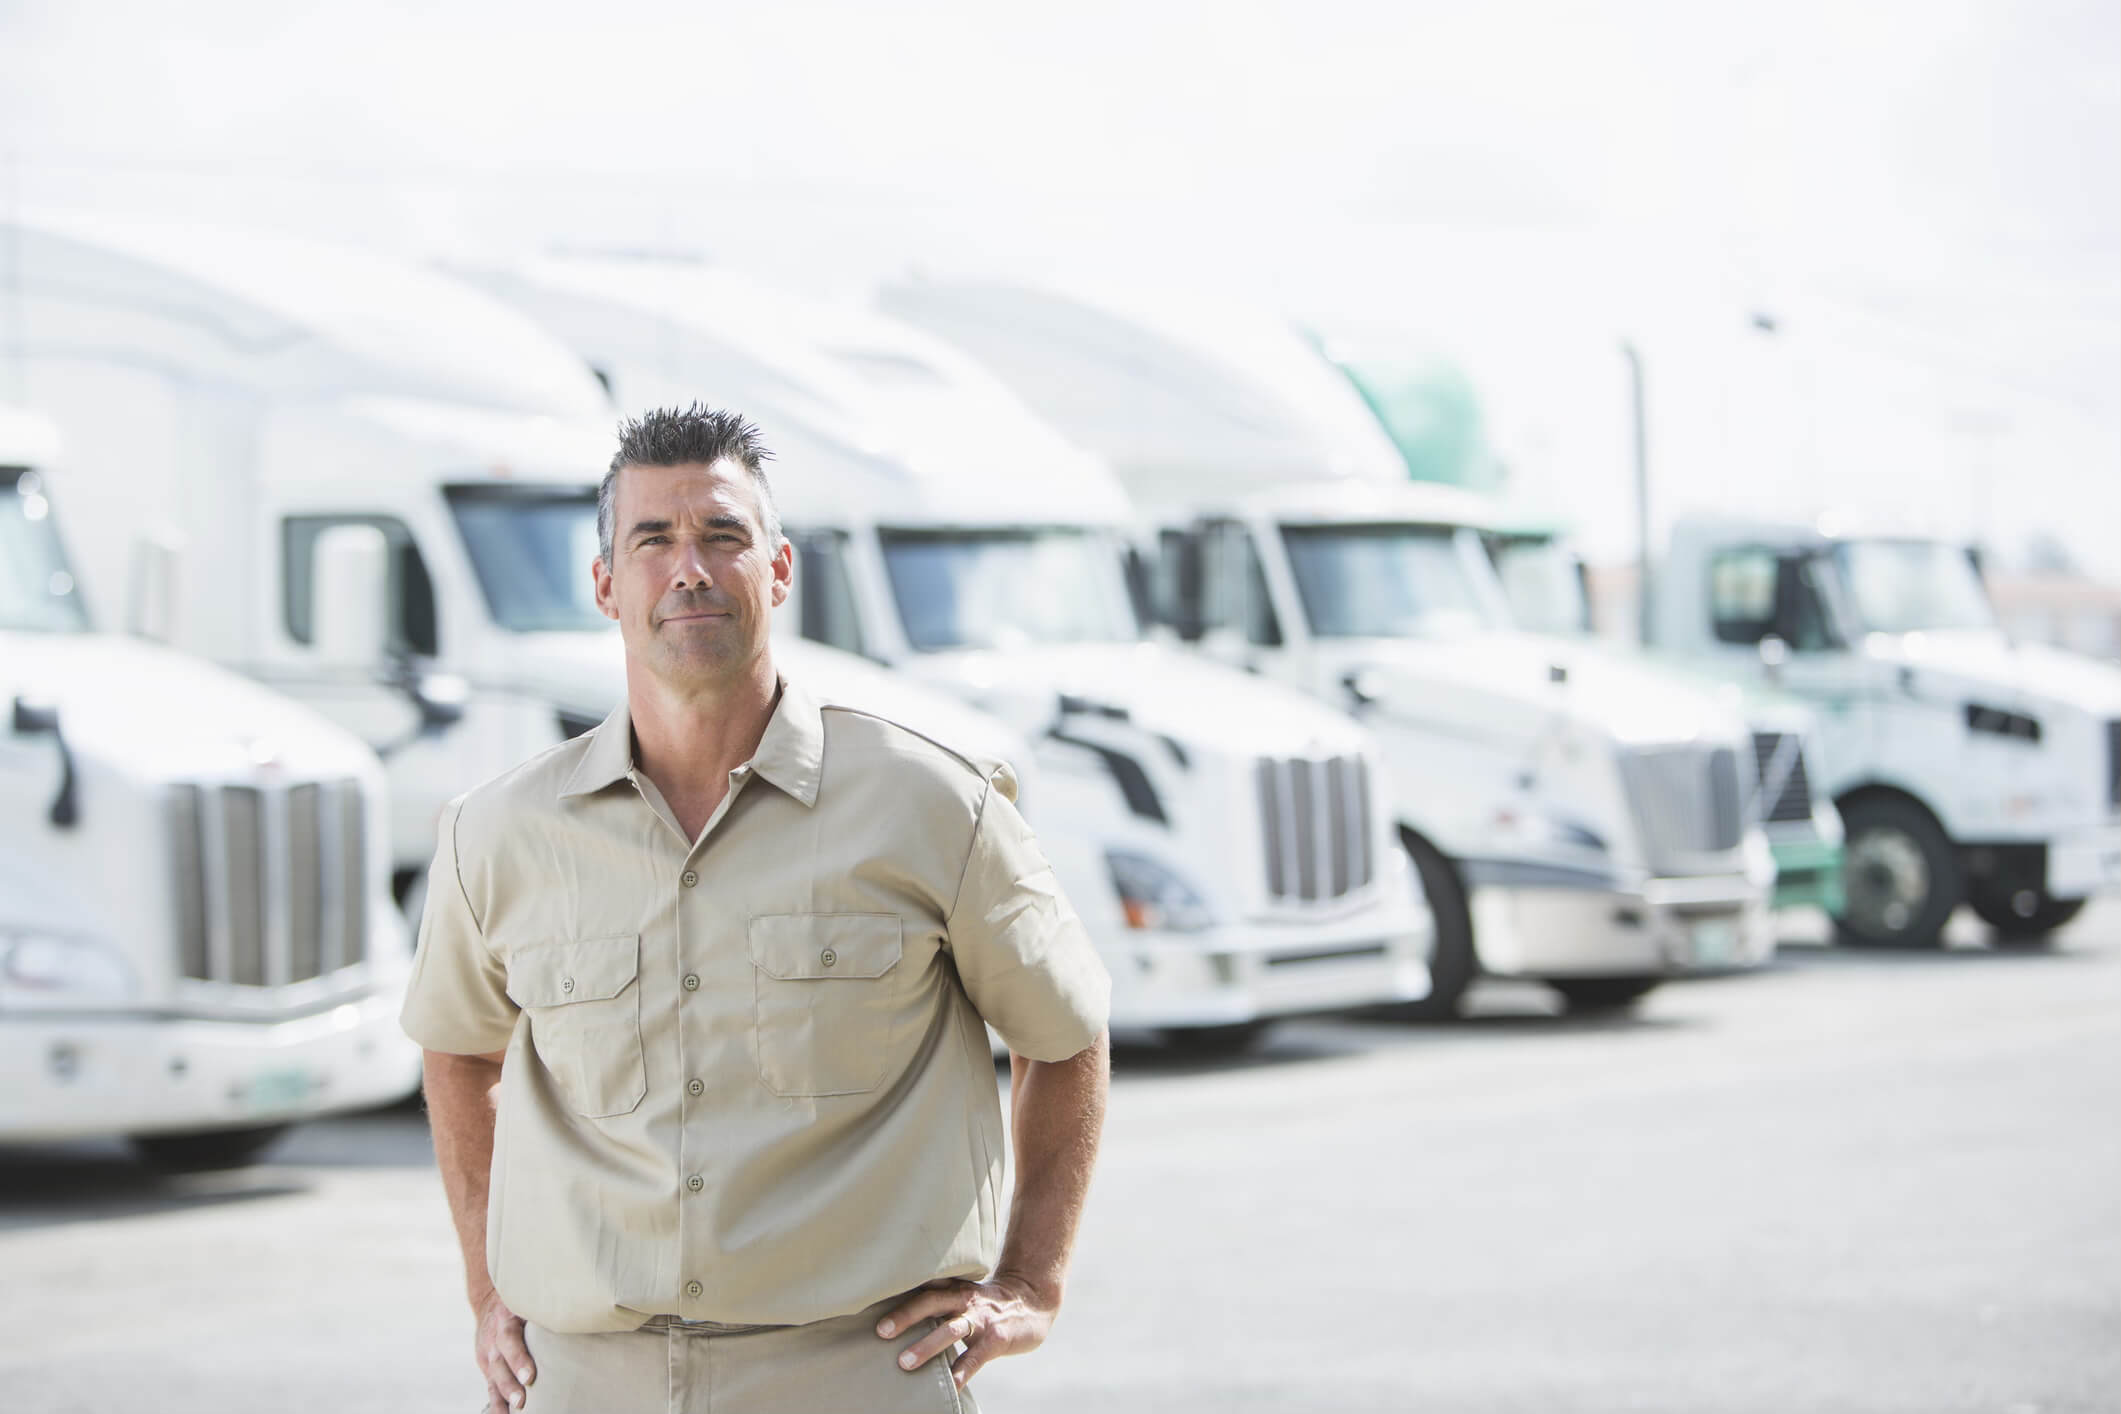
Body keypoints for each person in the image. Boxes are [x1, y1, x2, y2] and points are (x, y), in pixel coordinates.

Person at [402, 404, 1111, 1413]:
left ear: (778, 571)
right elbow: (457, 1050)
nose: (688, 567)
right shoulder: (498, 833)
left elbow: (1068, 1030)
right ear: (606, 585)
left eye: (722, 536)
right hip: (585, 1380)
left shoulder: (931, 805)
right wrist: (487, 1287)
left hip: (858, 1373)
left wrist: (1031, 1283)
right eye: (652, 539)